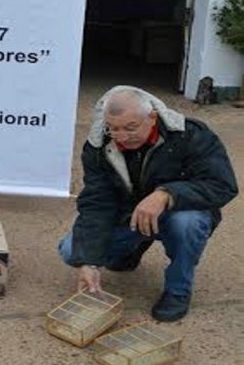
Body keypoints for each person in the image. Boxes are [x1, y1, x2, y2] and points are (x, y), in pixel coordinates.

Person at [58, 85, 238, 322]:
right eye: (114, 129)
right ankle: (134, 246)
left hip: (177, 213)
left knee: (189, 222)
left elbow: (222, 185)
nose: (122, 137)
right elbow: (97, 203)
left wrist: (166, 194)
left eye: (131, 128)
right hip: (129, 217)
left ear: (152, 117)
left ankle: (177, 290)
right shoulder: (98, 146)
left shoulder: (191, 134)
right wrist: (89, 261)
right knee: (72, 252)